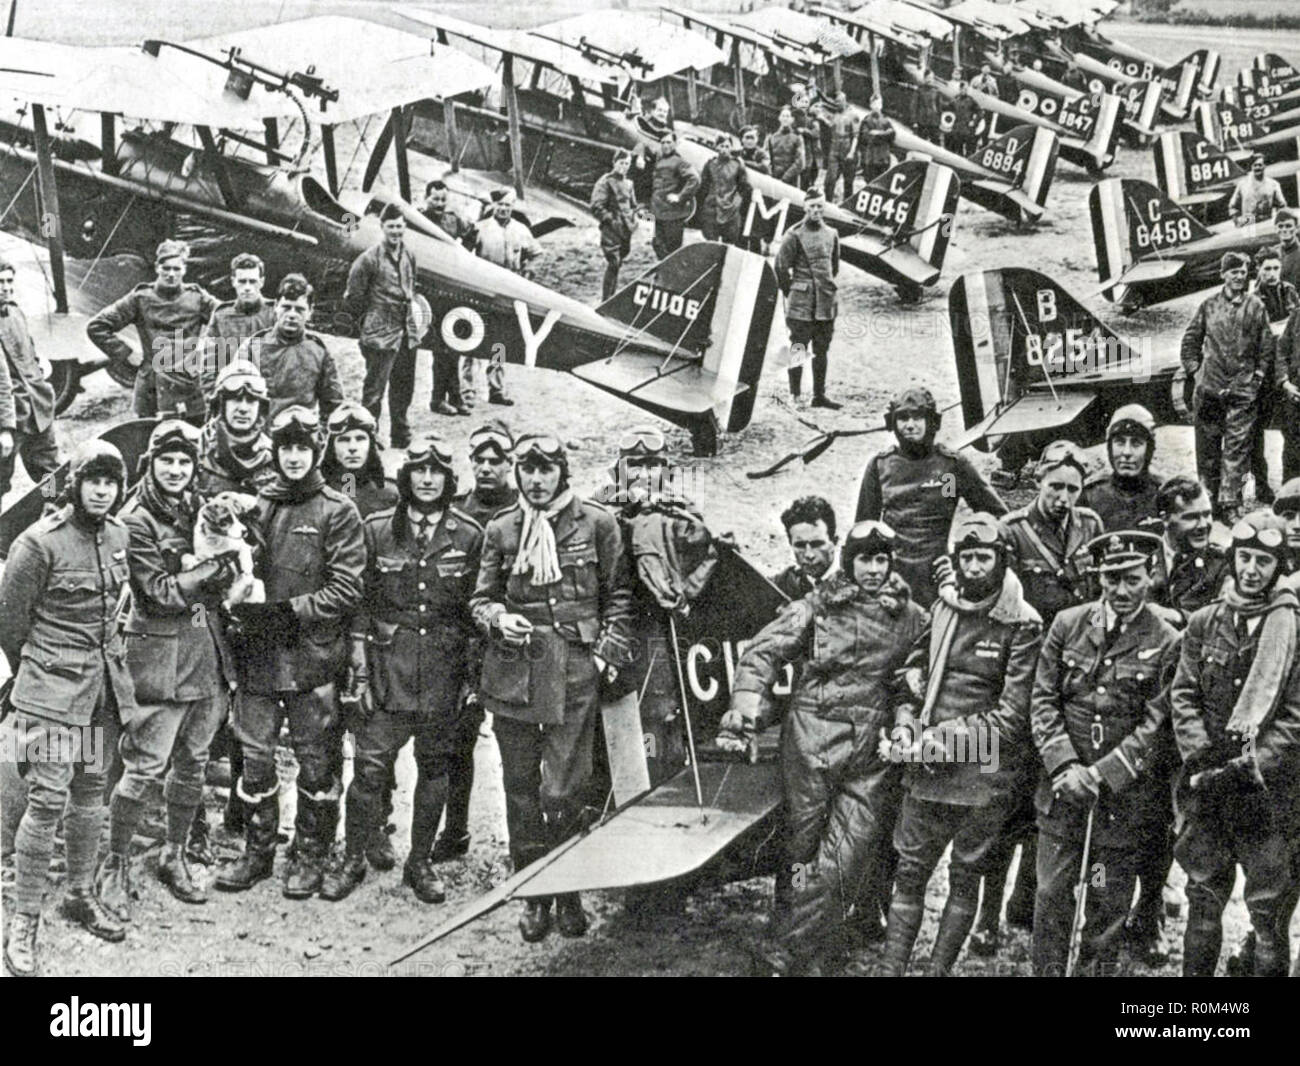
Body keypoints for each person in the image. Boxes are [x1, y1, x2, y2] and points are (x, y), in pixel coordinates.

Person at [727, 520, 928, 976]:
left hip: (871, 754)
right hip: (810, 742)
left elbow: (912, 684)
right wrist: (745, 701)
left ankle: (787, 952)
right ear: (849, 561)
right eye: (864, 559)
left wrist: (904, 719)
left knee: (845, 857)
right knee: (801, 849)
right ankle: (811, 951)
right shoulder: (816, 606)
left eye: (882, 559)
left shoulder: (914, 617)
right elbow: (764, 651)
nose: (874, 569)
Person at [469, 433, 634, 941]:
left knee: (564, 788)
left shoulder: (598, 523)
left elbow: (620, 595)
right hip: (516, 670)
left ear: (563, 472)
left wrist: (607, 651)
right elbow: (480, 599)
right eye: (527, 470)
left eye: (545, 470)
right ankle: (533, 893)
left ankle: (568, 891)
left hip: (574, 672)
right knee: (520, 787)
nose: (536, 480)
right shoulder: (502, 528)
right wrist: (499, 619)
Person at [876, 514, 1042, 977]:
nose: (972, 568)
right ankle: (890, 970)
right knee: (910, 873)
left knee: (965, 877)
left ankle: (937, 972)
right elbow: (912, 675)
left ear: (1000, 560)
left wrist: (937, 742)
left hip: (984, 772)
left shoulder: (1024, 624)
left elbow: (1011, 719)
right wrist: (907, 725)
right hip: (926, 769)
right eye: (965, 556)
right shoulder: (944, 607)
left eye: (982, 557)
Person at [321, 436, 484, 904]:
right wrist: (359, 666)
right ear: (405, 477)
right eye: (419, 471)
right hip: (386, 667)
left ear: (449, 481)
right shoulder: (375, 530)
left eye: (437, 472)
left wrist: (469, 679)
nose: (428, 480)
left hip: (442, 672)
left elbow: (475, 611)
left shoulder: (469, 535)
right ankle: (353, 856)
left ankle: (420, 861)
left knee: (435, 769)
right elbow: (359, 603)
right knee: (370, 770)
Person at [214, 406, 365, 899]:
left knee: (316, 762)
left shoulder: (337, 510)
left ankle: (311, 853)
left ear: (316, 451)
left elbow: (346, 590)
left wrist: (287, 612)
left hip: (312, 657)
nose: (294, 457)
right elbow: (235, 567)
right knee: (255, 757)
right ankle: (258, 852)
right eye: (286, 449)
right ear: (275, 452)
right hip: (258, 657)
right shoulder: (260, 504)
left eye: (303, 448)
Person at [0, 442, 134, 976]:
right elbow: (10, 625)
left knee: (89, 793)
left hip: (100, 695)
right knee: (47, 799)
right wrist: (42, 674)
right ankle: (24, 918)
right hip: (52, 699)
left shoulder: (120, 535)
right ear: (74, 483)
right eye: (92, 481)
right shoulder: (38, 544)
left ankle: (79, 891)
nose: (101, 491)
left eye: (111, 482)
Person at [96, 421, 237, 921]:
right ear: (151, 462)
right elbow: (158, 594)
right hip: (159, 660)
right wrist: (215, 572)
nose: (177, 470)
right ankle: (112, 864)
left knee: (193, 763)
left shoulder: (197, 506)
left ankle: (173, 852)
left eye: (185, 462)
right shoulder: (135, 519)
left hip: (207, 656)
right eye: (167, 461)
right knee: (144, 767)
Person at [1029, 530, 1178, 976]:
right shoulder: (1068, 624)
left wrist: (1099, 775)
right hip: (1063, 791)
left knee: (1105, 903)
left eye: (1132, 579)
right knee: (1052, 894)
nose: (1122, 590)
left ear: (1150, 576)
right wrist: (1066, 765)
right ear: (1100, 580)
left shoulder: (1166, 640)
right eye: (1112, 579)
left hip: (1120, 801)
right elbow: (1042, 701)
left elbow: (1156, 726)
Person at [1169, 511, 1300, 976]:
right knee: (1203, 901)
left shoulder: (1292, 629)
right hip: (1206, 787)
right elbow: (1183, 694)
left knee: (1267, 914)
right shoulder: (1204, 622)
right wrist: (1202, 758)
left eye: (1263, 561)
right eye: (1244, 558)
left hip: (1266, 794)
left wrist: (1248, 768)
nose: (1251, 570)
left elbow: (1294, 717)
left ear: (1279, 567)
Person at [434, 420, 519, 862]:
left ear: (510, 463)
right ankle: (456, 830)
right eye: (479, 460)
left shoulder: (526, 511)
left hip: (509, 643)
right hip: (463, 643)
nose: (486, 468)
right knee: (456, 742)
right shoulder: (456, 511)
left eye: (496, 460)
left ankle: (522, 840)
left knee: (517, 744)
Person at [855, 387, 1007, 607]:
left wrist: (962, 560)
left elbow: (995, 514)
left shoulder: (949, 467)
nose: (910, 425)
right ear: (893, 423)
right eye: (903, 418)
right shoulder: (881, 466)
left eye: (918, 417)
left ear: (931, 422)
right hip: (892, 577)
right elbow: (863, 528)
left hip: (938, 577)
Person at [1180, 251, 1273, 523]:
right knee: (1207, 450)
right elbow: (1190, 342)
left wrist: (1256, 377)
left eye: (1243, 273)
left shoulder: (1255, 306)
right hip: (1209, 389)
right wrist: (1196, 372)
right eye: (1233, 272)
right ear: (1223, 275)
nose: (1239, 277)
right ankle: (1208, 501)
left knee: (1237, 450)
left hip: (1242, 392)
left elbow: (1266, 347)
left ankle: (1230, 504)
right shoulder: (1208, 305)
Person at [87, 239, 217, 421]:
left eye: (177, 269)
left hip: (190, 389)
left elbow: (226, 318)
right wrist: (126, 353)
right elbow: (97, 326)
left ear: (184, 270)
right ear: (157, 268)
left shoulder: (197, 298)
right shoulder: (141, 298)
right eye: (166, 268)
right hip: (152, 391)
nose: (171, 274)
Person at [345, 202, 420, 449]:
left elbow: (411, 287)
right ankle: (370, 434)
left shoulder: (409, 254)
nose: (396, 232)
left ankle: (400, 432)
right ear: (382, 227)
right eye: (391, 227)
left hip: (406, 331)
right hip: (380, 333)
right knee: (374, 390)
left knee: (403, 385)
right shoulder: (368, 259)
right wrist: (370, 322)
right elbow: (354, 297)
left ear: (405, 227)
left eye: (399, 227)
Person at [463, 189, 536, 408]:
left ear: (513, 207)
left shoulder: (520, 230)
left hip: (507, 292)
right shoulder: (481, 228)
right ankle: (466, 390)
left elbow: (536, 253)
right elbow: (463, 254)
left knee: (499, 341)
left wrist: (528, 270)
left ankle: (496, 389)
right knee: (471, 339)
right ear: (493, 206)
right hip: (481, 290)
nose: (504, 209)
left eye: (508, 205)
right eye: (500, 205)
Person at [238, 274, 344, 422]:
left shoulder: (318, 351)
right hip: (261, 435)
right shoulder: (253, 346)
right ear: (276, 307)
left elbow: (333, 404)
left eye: (299, 309)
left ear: (310, 312)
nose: (292, 315)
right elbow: (236, 396)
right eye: (286, 307)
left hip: (302, 435)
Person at [774, 188, 841, 409]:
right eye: (812, 206)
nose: (816, 211)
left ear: (824, 207)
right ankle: (795, 395)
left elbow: (833, 267)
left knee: (822, 350)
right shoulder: (793, 235)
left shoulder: (832, 234)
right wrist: (792, 291)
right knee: (798, 349)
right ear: (805, 207)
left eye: (820, 206)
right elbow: (781, 268)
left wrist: (824, 289)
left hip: (825, 303)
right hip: (801, 306)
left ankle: (819, 396)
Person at [0, 259, 59, 508]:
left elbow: (30, 352)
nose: (6, 288)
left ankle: (55, 516)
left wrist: (39, 367)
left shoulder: (14, 311)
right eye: (0, 283)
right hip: (9, 418)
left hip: (37, 409)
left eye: (9, 281)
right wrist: (4, 428)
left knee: (50, 476)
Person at [420, 180, 472, 418]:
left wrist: (463, 259)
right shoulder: (418, 219)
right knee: (440, 348)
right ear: (426, 198)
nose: (440, 204)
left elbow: (471, 233)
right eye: (435, 199)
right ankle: (437, 398)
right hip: (430, 293)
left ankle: (456, 397)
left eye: (443, 199)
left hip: (451, 289)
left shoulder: (453, 218)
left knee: (455, 344)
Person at [1152, 475, 1229, 621]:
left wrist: (1179, 617)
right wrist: (1096, 636)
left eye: (1207, 514)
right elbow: (1097, 604)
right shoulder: (1143, 554)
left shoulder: (1221, 563)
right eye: (1191, 517)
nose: (1202, 525)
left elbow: (1224, 617)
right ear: (1165, 519)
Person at [199, 253, 275, 397]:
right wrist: (212, 398)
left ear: (262, 282)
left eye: (252, 281)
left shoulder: (274, 313)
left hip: (268, 397)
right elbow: (209, 364)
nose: (247, 287)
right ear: (233, 281)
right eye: (242, 281)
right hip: (231, 395)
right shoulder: (221, 316)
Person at [197, 359, 275, 498]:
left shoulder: (272, 456)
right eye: (236, 399)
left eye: (251, 401)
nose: (243, 409)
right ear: (221, 404)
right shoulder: (197, 448)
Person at [1080, 405, 1163, 532]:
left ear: (1149, 450)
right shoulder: (1089, 495)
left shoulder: (1163, 493)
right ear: (1110, 448)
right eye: (1120, 442)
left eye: (1136, 443)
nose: (1127, 452)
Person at [321, 402, 398, 519]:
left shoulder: (390, 492)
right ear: (332, 447)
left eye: (360, 439)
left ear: (371, 445)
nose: (352, 447)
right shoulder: (317, 489)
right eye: (344, 440)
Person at [590, 150, 639, 302]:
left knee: (618, 264)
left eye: (627, 164)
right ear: (614, 163)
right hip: (611, 228)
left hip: (626, 229)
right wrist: (610, 219)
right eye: (621, 163)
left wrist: (634, 220)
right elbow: (596, 206)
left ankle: (611, 297)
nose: (624, 167)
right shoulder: (605, 181)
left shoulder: (629, 184)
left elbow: (633, 205)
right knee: (614, 262)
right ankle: (605, 300)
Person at [773, 495, 838, 600]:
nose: (809, 555)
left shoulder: (858, 577)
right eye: (800, 545)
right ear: (791, 544)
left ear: (834, 542)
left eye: (817, 544)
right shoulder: (784, 582)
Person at [650, 131, 699, 259]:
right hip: (660, 212)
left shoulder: (679, 161)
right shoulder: (660, 160)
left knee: (672, 250)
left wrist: (680, 196)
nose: (666, 145)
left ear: (675, 144)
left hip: (674, 214)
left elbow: (694, 179)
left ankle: (670, 274)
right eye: (663, 143)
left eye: (669, 142)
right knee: (657, 244)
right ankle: (666, 272)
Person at [698, 135, 751, 246]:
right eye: (722, 146)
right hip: (712, 208)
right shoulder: (710, 165)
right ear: (716, 147)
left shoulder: (737, 165)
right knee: (711, 243)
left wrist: (737, 202)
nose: (724, 149)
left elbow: (745, 187)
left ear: (731, 148)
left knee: (729, 244)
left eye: (727, 146)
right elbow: (703, 186)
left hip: (731, 210)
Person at [819, 90, 858, 201]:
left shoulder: (852, 115)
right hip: (834, 149)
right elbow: (832, 126)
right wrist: (823, 119)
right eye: (836, 102)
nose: (838, 104)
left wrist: (851, 152)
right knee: (830, 180)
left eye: (840, 101)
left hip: (846, 149)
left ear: (844, 101)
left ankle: (847, 203)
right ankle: (828, 202)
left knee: (848, 182)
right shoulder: (836, 114)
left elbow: (855, 136)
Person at [1228, 154, 1285, 226]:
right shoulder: (1242, 184)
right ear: (1251, 167)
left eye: (1260, 165)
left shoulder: (1273, 184)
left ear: (1264, 166)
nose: (1257, 168)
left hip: (1266, 221)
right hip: (1248, 222)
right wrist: (1237, 222)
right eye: (1255, 165)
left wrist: (1277, 220)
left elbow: (1282, 205)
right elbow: (1232, 206)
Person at [855, 96, 896, 188]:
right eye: (875, 104)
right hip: (870, 159)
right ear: (871, 105)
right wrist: (883, 134)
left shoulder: (886, 121)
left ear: (881, 105)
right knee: (870, 184)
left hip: (883, 158)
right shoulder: (866, 121)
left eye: (879, 104)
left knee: (883, 184)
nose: (877, 106)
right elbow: (866, 137)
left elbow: (892, 136)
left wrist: (877, 133)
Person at [765, 107, 807, 187]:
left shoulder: (797, 138)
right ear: (779, 118)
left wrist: (785, 178)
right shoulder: (772, 138)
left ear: (792, 119)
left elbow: (800, 162)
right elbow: (766, 158)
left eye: (788, 116)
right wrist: (770, 174)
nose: (785, 119)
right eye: (783, 116)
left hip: (790, 181)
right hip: (773, 179)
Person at [789, 86, 821, 190]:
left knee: (806, 175)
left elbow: (816, 133)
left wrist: (804, 131)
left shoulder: (811, 119)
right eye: (802, 101)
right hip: (794, 149)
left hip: (807, 150)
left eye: (806, 102)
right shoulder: (791, 116)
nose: (804, 104)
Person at [948, 80, 983, 157]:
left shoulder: (971, 100)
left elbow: (980, 112)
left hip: (968, 129)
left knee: (969, 151)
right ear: (960, 89)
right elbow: (948, 108)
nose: (965, 91)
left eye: (966, 89)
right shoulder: (955, 100)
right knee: (958, 149)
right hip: (957, 128)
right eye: (963, 89)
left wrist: (974, 122)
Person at [910, 73, 943, 149]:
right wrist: (914, 121)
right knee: (920, 143)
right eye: (928, 78)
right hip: (922, 121)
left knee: (936, 144)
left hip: (934, 122)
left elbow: (939, 107)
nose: (929, 80)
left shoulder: (936, 91)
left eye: (931, 78)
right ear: (924, 78)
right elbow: (914, 106)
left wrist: (939, 121)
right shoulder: (919, 91)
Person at [1276, 209, 1300, 292]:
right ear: (1276, 229)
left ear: (1297, 228)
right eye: (1280, 226)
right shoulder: (1272, 253)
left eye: (1288, 226)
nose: (1284, 230)